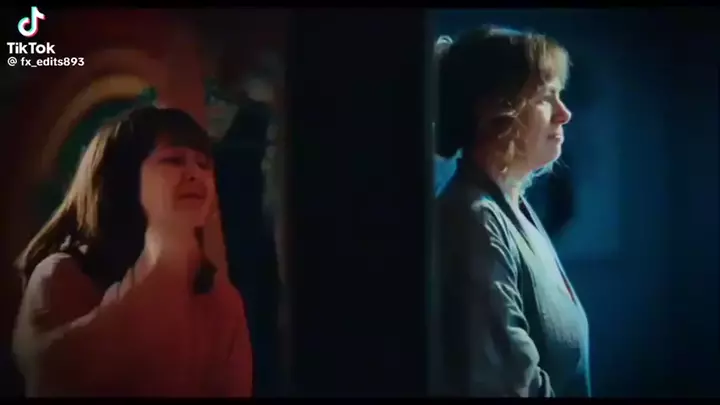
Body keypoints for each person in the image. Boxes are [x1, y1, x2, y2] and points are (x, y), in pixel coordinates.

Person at [12, 107, 253, 397]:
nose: (195, 174)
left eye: (203, 164)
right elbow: (62, 377)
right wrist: (166, 251)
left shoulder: (219, 299)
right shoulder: (60, 276)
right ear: (124, 179)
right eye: (173, 160)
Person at [434, 26, 591, 397]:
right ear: (496, 111)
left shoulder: (514, 208)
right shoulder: (475, 221)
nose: (565, 114)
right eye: (546, 97)